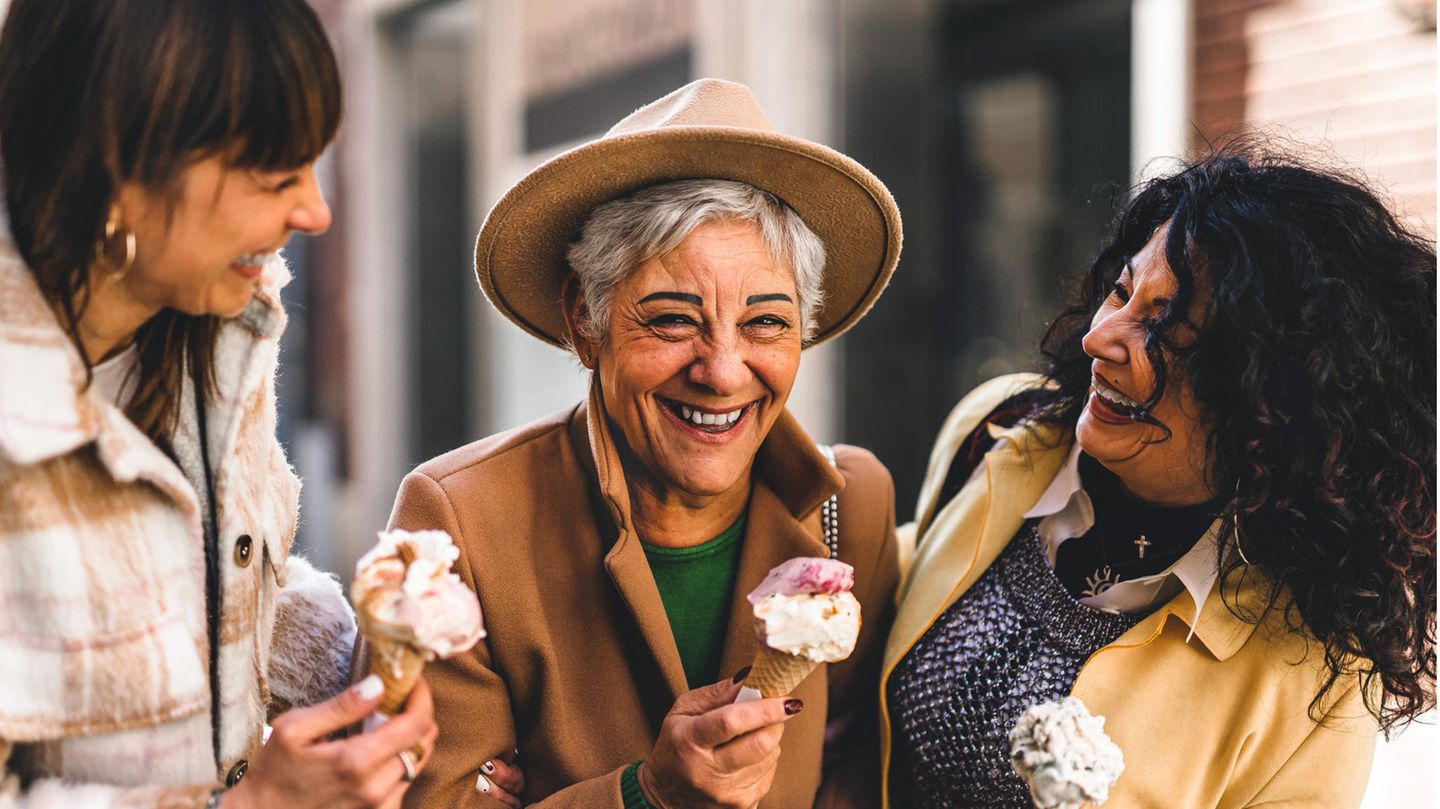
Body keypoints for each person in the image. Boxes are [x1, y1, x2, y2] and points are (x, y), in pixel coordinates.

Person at [386, 78, 905, 808]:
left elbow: (859, 768)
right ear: (584, 321)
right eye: (670, 319)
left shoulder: (852, 513)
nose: (723, 372)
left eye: (765, 322)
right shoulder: (460, 524)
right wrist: (644, 792)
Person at [882, 145, 1436, 807]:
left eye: (1166, 334)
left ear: (1276, 406)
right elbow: (881, 595)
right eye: (1121, 291)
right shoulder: (998, 431)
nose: (1100, 338)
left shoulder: (1315, 678)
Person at [0, 1, 445, 806]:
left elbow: (222, 596)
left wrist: (370, 667)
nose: (315, 212)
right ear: (119, 172)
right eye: (276, 177)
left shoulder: (214, 329)